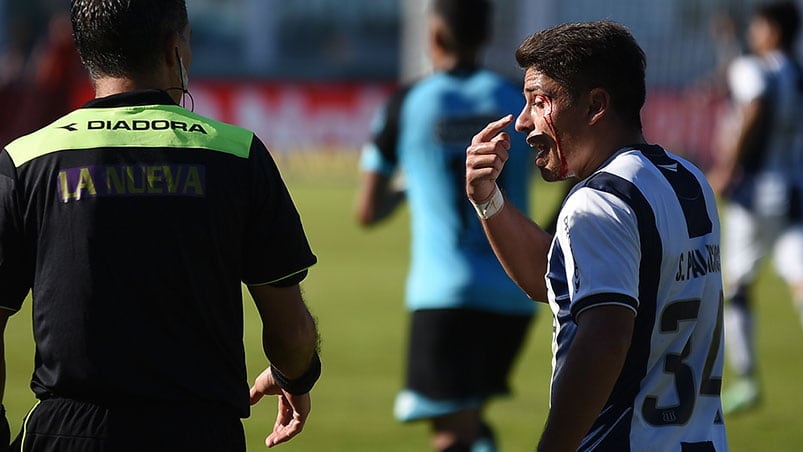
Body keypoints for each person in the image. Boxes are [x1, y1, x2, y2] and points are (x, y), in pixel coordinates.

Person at [0, 0, 321, 450]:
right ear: (175, 49)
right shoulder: (238, 154)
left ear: (85, 53)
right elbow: (292, 334)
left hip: (65, 433)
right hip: (199, 431)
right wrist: (295, 374)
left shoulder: (25, 160)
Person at [466, 21, 728, 451]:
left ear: (595, 106)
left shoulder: (599, 201)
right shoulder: (688, 180)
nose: (523, 122)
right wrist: (488, 200)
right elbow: (557, 278)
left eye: (539, 101)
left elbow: (604, 342)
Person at [355, 0, 536, 450]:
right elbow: (577, 174)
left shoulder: (408, 102)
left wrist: (410, 187)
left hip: (444, 293)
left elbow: (367, 210)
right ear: (488, 35)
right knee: (471, 422)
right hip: (515, 291)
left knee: (451, 436)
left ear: (433, 36)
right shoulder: (519, 101)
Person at [706, 1, 803, 415]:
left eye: (759, 26)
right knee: (798, 278)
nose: (754, 32)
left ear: (773, 31)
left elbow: (754, 104)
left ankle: (746, 382)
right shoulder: (796, 72)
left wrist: (730, 166)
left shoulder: (756, 70)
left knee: (738, 286)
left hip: (755, 194)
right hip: (793, 190)